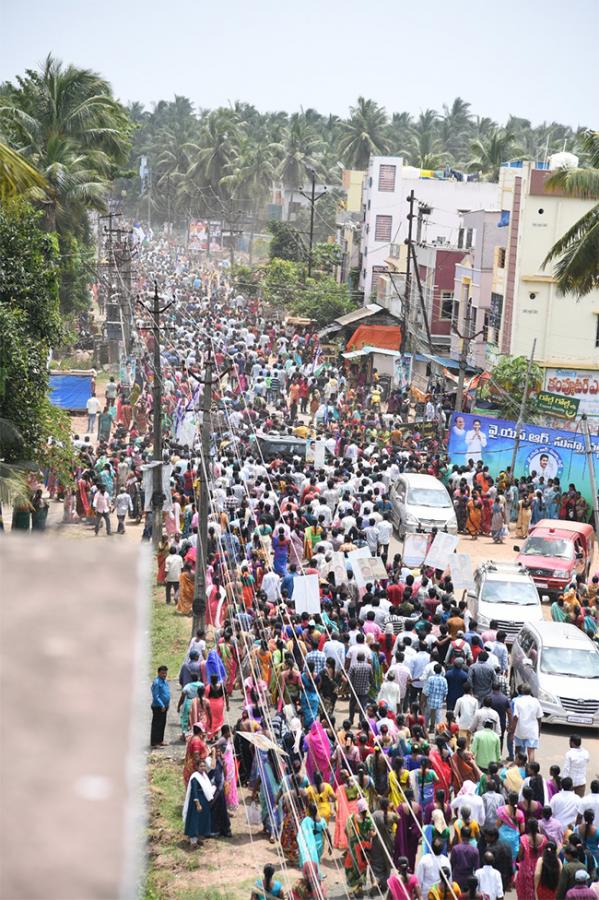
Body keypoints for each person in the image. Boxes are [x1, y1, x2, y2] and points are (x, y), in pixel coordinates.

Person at [344, 797, 374, 896]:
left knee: (352, 866)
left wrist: (350, 841)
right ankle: (359, 887)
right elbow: (371, 834)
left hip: (353, 847)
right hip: (364, 847)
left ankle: (354, 888)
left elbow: (345, 831)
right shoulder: (368, 821)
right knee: (362, 867)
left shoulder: (350, 818)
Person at [182, 758, 214, 846]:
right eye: (201, 766)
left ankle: (199, 837)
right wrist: (197, 804)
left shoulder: (204, 776)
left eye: (204, 766)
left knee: (202, 819)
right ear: (197, 767)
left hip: (204, 800)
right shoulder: (195, 777)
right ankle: (193, 841)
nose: (202, 768)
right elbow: (194, 791)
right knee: (195, 820)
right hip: (197, 801)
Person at [510, 685, 543, 762]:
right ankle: (531, 770)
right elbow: (539, 717)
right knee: (531, 751)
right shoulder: (536, 701)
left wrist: (512, 731)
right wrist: (539, 731)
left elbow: (515, 717)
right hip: (532, 731)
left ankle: (517, 768)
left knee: (518, 750)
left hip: (520, 730)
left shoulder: (518, 701)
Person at [150, 665, 170, 748]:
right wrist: (162, 705)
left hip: (164, 706)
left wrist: (167, 705)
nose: (164, 675)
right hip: (158, 706)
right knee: (157, 724)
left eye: (165, 673)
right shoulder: (157, 682)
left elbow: (166, 693)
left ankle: (160, 740)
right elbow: (156, 696)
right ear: (158, 673)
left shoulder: (164, 681)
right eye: (162, 673)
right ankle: (155, 742)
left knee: (162, 724)